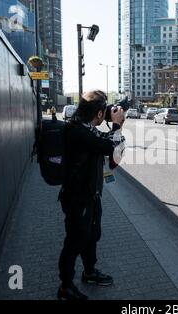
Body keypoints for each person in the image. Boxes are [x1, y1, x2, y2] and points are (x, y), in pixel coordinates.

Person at [57, 90, 126, 300]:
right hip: (78, 197)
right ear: (97, 113)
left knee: (92, 236)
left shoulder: (87, 129)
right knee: (75, 241)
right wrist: (116, 125)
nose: (105, 114)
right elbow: (109, 147)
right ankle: (65, 287)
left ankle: (89, 272)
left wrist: (116, 125)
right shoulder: (77, 131)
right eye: (104, 111)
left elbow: (106, 142)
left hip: (91, 194)